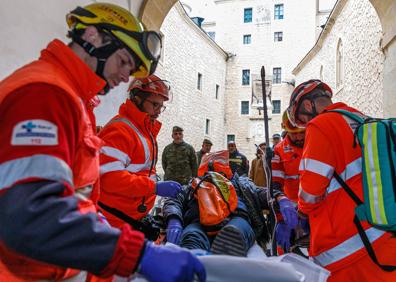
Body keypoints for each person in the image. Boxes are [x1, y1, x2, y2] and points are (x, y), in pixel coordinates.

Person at [0, 3, 205, 282]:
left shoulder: (72, 99)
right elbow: (30, 217)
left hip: (59, 261)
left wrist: (97, 221)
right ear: (94, 37)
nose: (124, 77)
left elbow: (71, 192)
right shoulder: (45, 95)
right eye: (123, 61)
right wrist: (135, 254)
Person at [288, 79, 396, 281]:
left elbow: (311, 193)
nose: (304, 126)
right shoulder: (361, 118)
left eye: (301, 120)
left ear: (308, 105)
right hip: (385, 235)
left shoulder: (321, 125)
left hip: (350, 250)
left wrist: (300, 214)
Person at [162, 151, 297, 256]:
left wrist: (280, 198)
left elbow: (263, 194)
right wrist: (174, 219)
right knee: (192, 238)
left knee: (231, 234)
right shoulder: (194, 185)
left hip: (232, 220)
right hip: (203, 222)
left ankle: (210, 259)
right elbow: (174, 200)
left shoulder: (240, 184)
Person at [96, 75, 182, 231]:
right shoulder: (120, 130)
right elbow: (110, 178)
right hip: (114, 221)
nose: (158, 111)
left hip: (132, 217)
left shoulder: (145, 132)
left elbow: (143, 171)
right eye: (154, 104)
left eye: (161, 106)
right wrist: (154, 187)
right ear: (137, 99)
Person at [271, 111, 305, 203]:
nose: (299, 137)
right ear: (286, 130)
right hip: (292, 203)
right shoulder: (278, 150)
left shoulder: (316, 144)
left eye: (302, 132)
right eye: (294, 134)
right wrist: (280, 198)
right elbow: (276, 181)